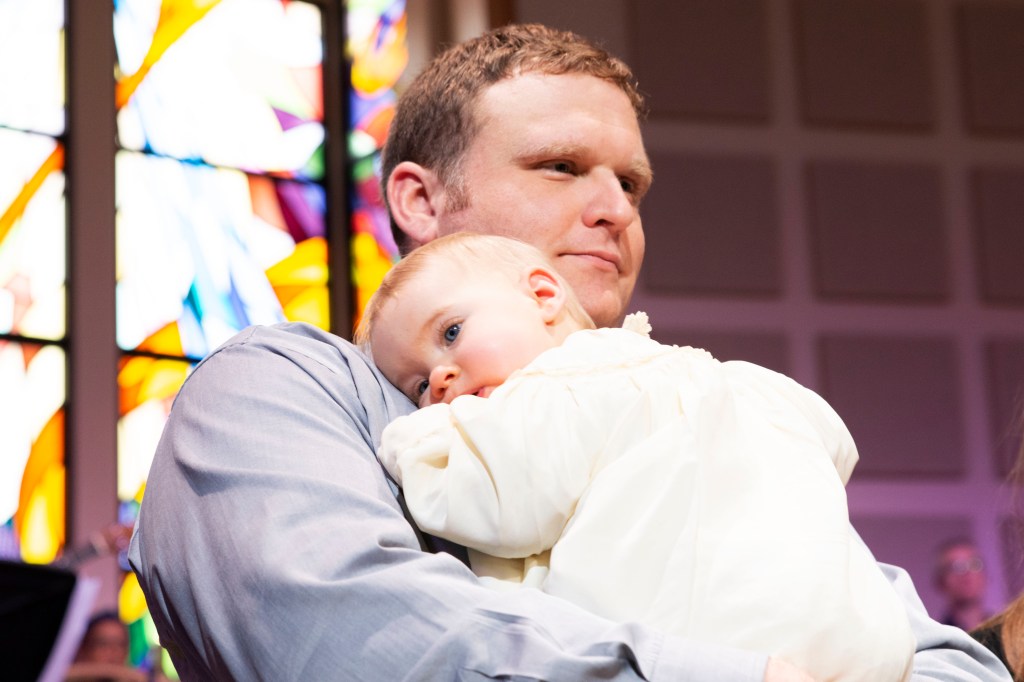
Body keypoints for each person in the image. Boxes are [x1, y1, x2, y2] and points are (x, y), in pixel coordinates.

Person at [128, 22, 1011, 681]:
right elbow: (360, 637)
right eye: (559, 166)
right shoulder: (284, 389)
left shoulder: (692, 398)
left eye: (630, 183)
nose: (616, 209)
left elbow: (928, 652)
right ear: (420, 202)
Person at [359, 232, 915, 681]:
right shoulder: (716, 376)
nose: (440, 377)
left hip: (721, 644)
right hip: (861, 648)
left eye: (451, 332)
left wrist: (415, 438)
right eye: (417, 387)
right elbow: (831, 448)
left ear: (544, 296)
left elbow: (495, 505)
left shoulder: (548, 397)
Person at [935, 538, 991, 631]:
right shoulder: (938, 635)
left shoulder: (1003, 629)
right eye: (957, 567)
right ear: (941, 582)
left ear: (985, 576)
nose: (967, 573)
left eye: (974, 564)